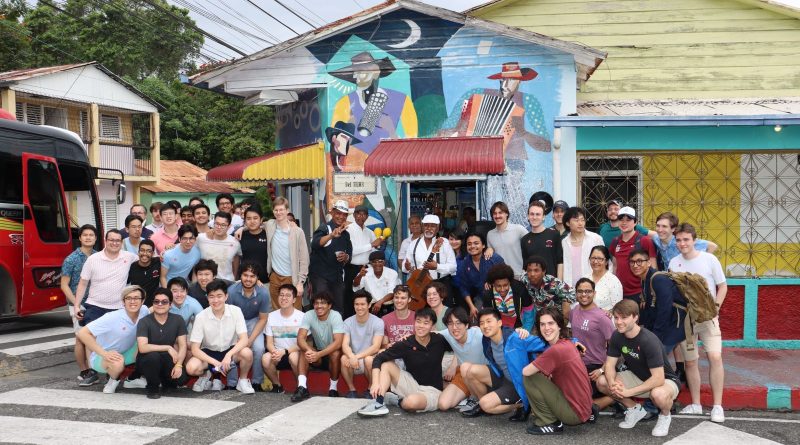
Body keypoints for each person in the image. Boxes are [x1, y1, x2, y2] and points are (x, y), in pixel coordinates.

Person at [669, 223, 727, 423]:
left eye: (686, 239)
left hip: (708, 316)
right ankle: (696, 404)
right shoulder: (673, 262)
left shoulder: (709, 259)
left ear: (694, 240)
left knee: (715, 357)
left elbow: (722, 286)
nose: (682, 243)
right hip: (686, 319)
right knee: (690, 361)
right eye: (678, 240)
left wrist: (716, 307)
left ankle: (718, 406)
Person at [596, 300, 681, 437]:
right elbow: (610, 365)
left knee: (658, 394)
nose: (618, 322)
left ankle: (665, 416)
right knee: (602, 382)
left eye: (624, 317)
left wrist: (628, 391)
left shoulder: (648, 340)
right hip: (639, 377)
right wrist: (612, 384)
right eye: (616, 317)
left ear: (635, 317)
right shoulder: (617, 335)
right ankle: (634, 409)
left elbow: (658, 379)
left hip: (665, 381)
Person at [357, 308, 450, 417]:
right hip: (411, 384)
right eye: (418, 321)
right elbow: (379, 358)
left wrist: (453, 366)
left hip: (432, 391)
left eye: (426, 323)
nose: (421, 326)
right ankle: (379, 402)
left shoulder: (439, 340)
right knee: (387, 365)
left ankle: (397, 400)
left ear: (432, 325)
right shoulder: (406, 343)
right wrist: (375, 382)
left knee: (410, 403)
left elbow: (459, 346)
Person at [522, 307, 595, 435]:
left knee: (530, 377)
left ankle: (549, 422)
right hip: (585, 407)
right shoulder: (567, 343)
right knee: (542, 373)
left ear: (560, 325)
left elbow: (526, 372)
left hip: (574, 414)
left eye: (551, 323)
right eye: (542, 324)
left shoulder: (556, 350)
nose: (546, 328)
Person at [460, 308, 534, 421]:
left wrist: (526, 333)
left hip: (517, 384)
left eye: (489, 321)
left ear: (499, 323)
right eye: (482, 323)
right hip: (503, 377)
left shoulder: (514, 337)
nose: (485, 326)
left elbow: (541, 343)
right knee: (469, 370)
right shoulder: (486, 339)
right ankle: (483, 404)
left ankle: (522, 405)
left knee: (487, 404)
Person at [75, 285, 150, 394]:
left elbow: (156, 310)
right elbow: (82, 333)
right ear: (123, 301)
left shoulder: (144, 311)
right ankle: (113, 380)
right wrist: (104, 353)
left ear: (142, 301)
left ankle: (131, 379)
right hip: (103, 357)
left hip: (127, 352)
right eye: (128, 298)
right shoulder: (112, 317)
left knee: (146, 344)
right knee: (117, 363)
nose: (132, 301)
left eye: (136, 298)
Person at [186, 279, 255, 394]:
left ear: (226, 296)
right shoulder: (201, 317)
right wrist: (215, 363)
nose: (216, 300)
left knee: (247, 353)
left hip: (230, 351)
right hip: (209, 352)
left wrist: (229, 355)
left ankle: (242, 381)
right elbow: (195, 349)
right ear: (207, 297)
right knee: (191, 368)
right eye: (212, 296)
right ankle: (206, 375)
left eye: (219, 296)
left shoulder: (236, 311)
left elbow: (244, 339)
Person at [73, 229, 139, 330]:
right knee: (91, 339)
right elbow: (82, 284)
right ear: (105, 241)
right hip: (95, 307)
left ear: (121, 242)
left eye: (117, 240)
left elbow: (146, 259)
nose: (114, 243)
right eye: (111, 240)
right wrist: (77, 306)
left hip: (119, 308)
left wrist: (161, 256)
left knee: (115, 341)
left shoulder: (129, 257)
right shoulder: (93, 259)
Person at [568, 278, 616, 411]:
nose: (584, 295)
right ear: (576, 294)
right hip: (576, 364)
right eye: (580, 291)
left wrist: (602, 369)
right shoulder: (574, 311)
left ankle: (614, 399)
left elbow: (616, 348)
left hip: (594, 368)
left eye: (588, 291)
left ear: (594, 293)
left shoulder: (602, 317)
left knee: (580, 403)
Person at [59, 224, 98, 384]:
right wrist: (76, 303)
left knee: (95, 338)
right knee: (80, 339)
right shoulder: (71, 259)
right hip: (79, 306)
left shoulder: (98, 256)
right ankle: (84, 371)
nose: (88, 237)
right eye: (85, 235)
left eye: (91, 235)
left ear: (96, 238)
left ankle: (94, 368)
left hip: (96, 304)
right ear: (80, 238)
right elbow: (64, 284)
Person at [225, 262, 271, 391]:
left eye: (252, 276)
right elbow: (229, 317)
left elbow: (263, 319)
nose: (248, 279)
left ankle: (256, 382)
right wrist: (241, 340)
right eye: (245, 275)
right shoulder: (232, 291)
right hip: (234, 322)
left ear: (257, 278)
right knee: (233, 347)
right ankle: (232, 383)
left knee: (259, 348)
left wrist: (249, 341)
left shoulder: (263, 292)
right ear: (240, 276)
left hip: (255, 321)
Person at [135, 287, 187, 399]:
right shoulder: (144, 321)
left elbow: (183, 345)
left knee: (181, 379)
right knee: (153, 357)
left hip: (167, 358)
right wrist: (168, 347)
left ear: (170, 304)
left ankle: (165, 381)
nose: (160, 304)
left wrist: (178, 365)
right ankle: (152, 386)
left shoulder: (178, 320)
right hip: (147, 359)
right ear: (153, 303)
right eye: (156, 301)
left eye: (164, 302)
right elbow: (142, 348)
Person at [292, 292, 346, 401]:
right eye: (316, 303)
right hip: (318, 356)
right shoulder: (309, 314)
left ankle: (333, 389)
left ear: (329, 305)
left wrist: (318, 354)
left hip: (332, 355)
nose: (319, 306)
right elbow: (300, 338)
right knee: (304, 350)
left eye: (323, 303)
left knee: (335, 353)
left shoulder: (335, 316)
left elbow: (338, 342)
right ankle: (302, 387)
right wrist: (309, 350)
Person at [632, 249, 687, 351]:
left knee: (655, 359)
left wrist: (656, 336)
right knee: (655, 361)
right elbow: (650, 309)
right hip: (666, 326)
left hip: (675, 324)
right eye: (632, 262)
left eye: (639, 261)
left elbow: (665, 310)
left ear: (648, 263)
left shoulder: (658, 279)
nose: (635, 265)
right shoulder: (644, 280)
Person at [437, 307, 486, 411]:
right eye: (450, 323)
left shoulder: (479, 334)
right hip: (464, 375)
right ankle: (469, 395)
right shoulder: (447, 334)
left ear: (467, 324)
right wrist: (406, 338)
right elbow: (427, 334)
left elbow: (499, 334)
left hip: (483, 375)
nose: (454, 327)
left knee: (465, 367)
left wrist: (519, 331)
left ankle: (477, 400)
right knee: (443, 404)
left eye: (458, 323)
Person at [402, 214, 457, 305]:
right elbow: (405, 266)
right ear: (422, 227)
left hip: (441, 284)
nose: (429, 228)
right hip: (419, 286)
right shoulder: (413, 244)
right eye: (426, 225)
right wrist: (406, 267)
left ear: (438, 228)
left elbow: (453, 267)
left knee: (442, 316)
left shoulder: (444, 243)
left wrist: (437, 266)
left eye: (433, 226)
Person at [265, 196, 309, 310]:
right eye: (276, 210)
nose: (278, 212)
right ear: (273, 211)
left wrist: (300, 282)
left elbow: (304, 259)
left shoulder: (297, 231)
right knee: (276, 311)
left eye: (281, 210)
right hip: (275, 276)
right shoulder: (270, 225)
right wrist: (241, 229)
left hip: (292, 278)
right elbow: (254, 225)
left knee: (295, 311)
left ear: (287, 211)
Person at [309, 200, 353, 313]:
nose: (341, 217)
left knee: (338, 309)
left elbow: (349, 255)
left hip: (337, 277)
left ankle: (336, 330)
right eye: (338, 213)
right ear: (332, 213)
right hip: (320, 277)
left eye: (344, 214)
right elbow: (315, 243)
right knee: (320, 306)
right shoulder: (324, 228)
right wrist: (331, 235)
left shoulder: (346, 234)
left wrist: (346, 257)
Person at [341, 290, 385, 398]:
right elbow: (345, 344)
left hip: (368, 358)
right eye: (356, 304)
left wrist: (356, 357)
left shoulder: (378, 322)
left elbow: (376, 347)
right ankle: (352, 390)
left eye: (362, 304)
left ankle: (370, 388)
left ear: (369, 305)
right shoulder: (347, 322)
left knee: (369, 359)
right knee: (343, 358)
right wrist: (351, 356)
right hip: (354, 360)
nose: (359, 307)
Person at [263, 284, 305, 394]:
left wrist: (285, 351)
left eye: (287, 295)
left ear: (294, 299)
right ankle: (277, 386)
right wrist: (274, 352)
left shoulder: (302, 317)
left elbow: (303, 343)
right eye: (281, 295)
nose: (284, 298)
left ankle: (300, 387)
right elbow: (269, 342)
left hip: (294, 352)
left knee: (294, 357)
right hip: (277, 353)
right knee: (265, 359)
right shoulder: (271, 316)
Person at [344, 205, 384, 319]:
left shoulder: (370, 232)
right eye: (359, 214)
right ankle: (349, 325)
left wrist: (378, 244)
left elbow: (373, 252)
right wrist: (371, 245)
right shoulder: (348, 230)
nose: (361, 216)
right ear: (354, 215)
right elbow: (351, 251)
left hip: (366, 269)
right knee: (350, 299)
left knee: (365, 299)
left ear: (367, 216)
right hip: (351, 268)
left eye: (364, 214)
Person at [610, 207, 657, 303]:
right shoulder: (615, 241)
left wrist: (649, 291)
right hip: (620, 293)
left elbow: (653, 267)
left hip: (640, 293)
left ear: (635, 222)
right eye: (621, 220)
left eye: (628, 220)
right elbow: (615, 266)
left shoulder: (644, 241)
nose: (624, 223)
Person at [457, 232, 504, 320]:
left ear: (483, 245)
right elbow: (463, 288)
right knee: (475, 320)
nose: (472, 246)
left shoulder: (493, 258)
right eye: (469, 244)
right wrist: (471, 307)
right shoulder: (465, 264)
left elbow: (506, 275)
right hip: (481, 298)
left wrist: (494, 281)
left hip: (501, 296)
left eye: (476, 243)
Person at [652, 212, 717, 270]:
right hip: (669, 277)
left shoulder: (681, 240)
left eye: (664, 226)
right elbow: (649, 232)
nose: (660, 230)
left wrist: (701, 264)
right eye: (658, 226)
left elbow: (712, 246)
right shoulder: (656, 238)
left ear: (673, 229)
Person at [561, 206, 604, 288]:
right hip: (570, 288)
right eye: (576, 220)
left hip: (593, 286)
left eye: (582, 220)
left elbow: (606, 263)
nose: (580, 223)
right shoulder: (564, 242)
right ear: (567, 223)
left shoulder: (596, 239)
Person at [522, 256, 576, 320]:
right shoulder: (525, 280)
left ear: (544, 271)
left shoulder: (554, 283)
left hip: (555, 319)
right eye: (529, 270)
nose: (532, 274)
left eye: (536, 270)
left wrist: (566, 302)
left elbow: (573, 293)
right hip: (536, 318)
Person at [521, 200, 563, 281]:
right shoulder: (524, 240)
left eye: (538, 214)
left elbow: (560, 262)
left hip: (551, 285)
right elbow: (525, 266)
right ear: (528, 216)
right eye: (532, 214)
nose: (534, 217)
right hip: (533, 287)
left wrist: (559, 283)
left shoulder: (554, 235)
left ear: (543, 217)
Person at [485, 263, 534, 331]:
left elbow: (528, 312)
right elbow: (488, 316)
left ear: (510, 282)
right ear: (493, 284)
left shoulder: (520, 289)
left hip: (520, 323)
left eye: (505, 285)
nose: (502, 289)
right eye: (498, 286)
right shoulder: (488, 295)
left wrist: (525, 330)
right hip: (499, 325)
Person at [486, 201, 528, 279]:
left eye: (500, 212)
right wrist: (490, 249)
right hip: (500, 277)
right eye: (494, 213)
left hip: (518, 275)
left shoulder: (518, 229)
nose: (497, 216)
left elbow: (531, 246)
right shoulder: (490, 234)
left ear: (507, 214)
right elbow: (491, 255)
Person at [197, 212, 241, 282]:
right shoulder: (201, 238)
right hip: (206, 282)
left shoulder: (235, 243)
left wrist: (234, 278)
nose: (219, 227)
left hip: (226, 282)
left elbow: (236, 259)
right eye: (217, 224)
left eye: (223, 225)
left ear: (229, 226)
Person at [353, 251, 399, 316]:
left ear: (384, 262)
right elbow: (355, 286)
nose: (377, 264)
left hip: (387, 305)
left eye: (380, 261)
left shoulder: (392, 273)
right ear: (371, 263)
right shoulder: (365, 272)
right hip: (371, 306)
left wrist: (380, 302)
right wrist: (360, 276)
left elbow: (392, 292)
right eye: (374, 262)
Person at [585, 245, 623, 313]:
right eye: (593, 258)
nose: (595, 262)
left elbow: (618, 308)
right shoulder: (585, 279)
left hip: (605, 320)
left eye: (600, 259)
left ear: (606, 262)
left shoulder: (613, 281)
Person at [127, 239, 161, 307]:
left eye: (149, 251)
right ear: (138, 252)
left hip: (154, 306)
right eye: (142, 250)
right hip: (137, 305)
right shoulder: (132, 267)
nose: (145, 253)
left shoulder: (158, 262)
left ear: (153, 254)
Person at [239, 206, 269, 283]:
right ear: (245, 221)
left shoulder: (269, 235)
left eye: (255, 218)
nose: (252, 221)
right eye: (248, 219)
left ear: (261, 220)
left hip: (266, 281)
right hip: (246, 281)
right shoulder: (240, 236)